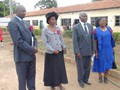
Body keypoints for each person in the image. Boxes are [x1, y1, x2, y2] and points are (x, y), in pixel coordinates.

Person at [8, 5, 38, 90]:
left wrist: (36, 45)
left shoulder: (26, 23)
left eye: (25, 11)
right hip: (22, 58)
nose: (25, 13)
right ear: (16, 12)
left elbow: (33, 36)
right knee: (22, 81)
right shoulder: (13, 23)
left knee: (32, 79)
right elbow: (18, 41)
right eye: (22, 11)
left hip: (31, 57)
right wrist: (32, 49)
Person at [42, 11, 68, 90]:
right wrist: (52, 50)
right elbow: (45, 42)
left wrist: (64, 47)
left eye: (55, 19)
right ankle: (52, 85)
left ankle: (59, 84)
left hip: (59, 52)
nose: (54, 21)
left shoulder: (58, 28)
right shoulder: (45, 30)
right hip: (51, 54)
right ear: (48, 20)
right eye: (52, 19)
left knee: (59, 69)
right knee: (51, 70)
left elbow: (61, 38)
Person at [73, 12, 94, 88]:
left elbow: (92, 39)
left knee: (88, 67)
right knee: (80, 68)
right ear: (80, 17)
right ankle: (81, 81)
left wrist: (93, 50)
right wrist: (77, 51)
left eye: (86, 16)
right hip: (80, 52)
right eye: (84, 16)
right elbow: (75, 41)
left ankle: (86, 80)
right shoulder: (76, 27)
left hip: (89, 51)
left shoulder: (90, 26)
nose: (85, 17)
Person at [92, 17, 115, 84]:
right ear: (99, 22)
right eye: (102, 21)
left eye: (105, 21)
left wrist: (113, 47)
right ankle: (100, 77)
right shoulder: (96, 30)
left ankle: (106, 77)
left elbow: (112, 39)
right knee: (100, 63)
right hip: (100, 50)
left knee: (108, 63)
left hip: (109, 50)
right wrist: (96, 51)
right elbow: (95, 41)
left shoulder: (109, 29)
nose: (104, 22)